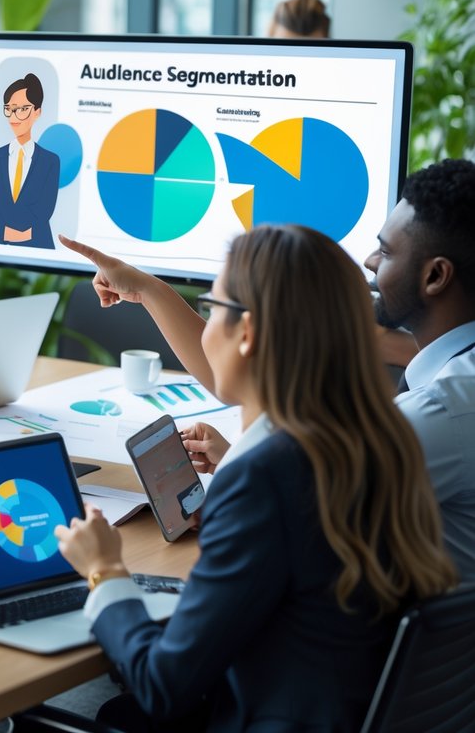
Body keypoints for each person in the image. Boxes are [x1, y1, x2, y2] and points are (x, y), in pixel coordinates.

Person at [56, 224, 456, 731]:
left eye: (211, 309)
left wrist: (105, 571)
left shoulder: (266, 477)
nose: (205, 329)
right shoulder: (371, 444)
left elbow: (163, 684)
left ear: (247, 333)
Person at [64, 158, 475, 580]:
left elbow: (298, 514)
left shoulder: (437, 414)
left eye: (386, 251)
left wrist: (106, 572)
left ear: (436, 276)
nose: (370, 260)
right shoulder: (451, 374)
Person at [0, 72, 60, 249]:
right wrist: (23, 233)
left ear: (37, 112)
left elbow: (43, 214)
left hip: (38, 249)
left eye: (22, 109)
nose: (14, 116)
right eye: (10, 108)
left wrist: (2, 228)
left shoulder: (50, 162)